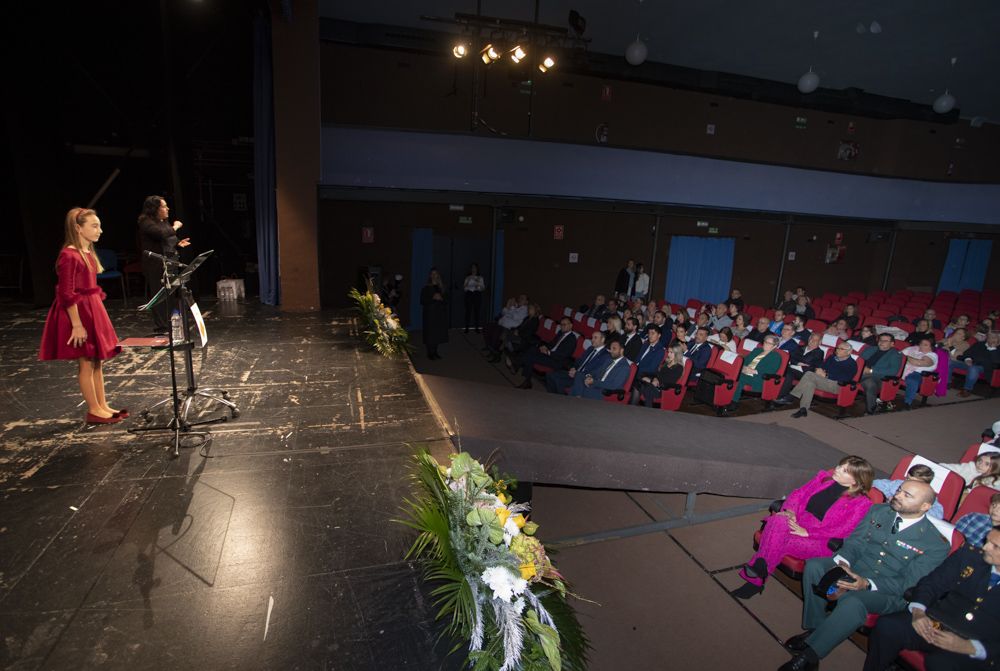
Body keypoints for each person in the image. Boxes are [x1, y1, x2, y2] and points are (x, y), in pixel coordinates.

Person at [780, 481, 949, 671]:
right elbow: (855, 543)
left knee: (854, 602)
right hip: (858, 567)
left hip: (888, 591)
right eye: (900, 490)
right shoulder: (879, 511)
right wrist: (844, 562)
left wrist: (867, 583)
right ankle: (817, 629)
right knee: (815, 566)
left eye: (907, 495)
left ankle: (810, 655)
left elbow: (908, 584)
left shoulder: (935, 544)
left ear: (925, 506)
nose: (898, 495)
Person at [731, 456, 874, 600]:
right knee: (779, 519)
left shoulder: (861, 503)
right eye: (839, 465)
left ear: (855, 481)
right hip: (798, 521)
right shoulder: (824, 478)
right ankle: (759, 572)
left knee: (777, 539)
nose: (837, 469)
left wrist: (807, 532)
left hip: (819, 540)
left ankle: (757, 576)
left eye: (844, 470)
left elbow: (843, 529)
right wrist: (790, 512)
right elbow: (798, 494)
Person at [862, 526, 1000, 671]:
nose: (985, 547)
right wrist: (918, 611)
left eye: (995, 546)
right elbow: (932, 583)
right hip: (938, 623)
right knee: (888, 626)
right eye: (987, 541)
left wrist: (971, 647)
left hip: (977, 643)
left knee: (941, 664)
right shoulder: (969, 556)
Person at [39, 208, 125, 424]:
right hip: (78, 313)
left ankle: (102, 405)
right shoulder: (69, 255)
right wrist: (77, 325)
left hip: (91, 308)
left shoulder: (86, 253)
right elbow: (66, 293)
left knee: (97, 361)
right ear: (78, 228)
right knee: (86, 362)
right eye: (94, 226)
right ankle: (94, 409)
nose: (100, 230)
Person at [137, 195, 191, 334]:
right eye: (164, 206)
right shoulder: (146, 222)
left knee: (171, 295)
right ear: (155, 208)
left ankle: (172, 324)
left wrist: (178, 244)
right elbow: (160, 234)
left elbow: (169, 240)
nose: (167, 208)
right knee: (160, 295)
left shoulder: (163, 222)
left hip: (170, 262)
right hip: (156, 265)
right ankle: (161, 327)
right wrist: (175, 226)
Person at [787, 342, 859, 418]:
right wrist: (820, 370)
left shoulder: (851, 364)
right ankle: (803, 409)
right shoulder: (832, 357)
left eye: (841, 349)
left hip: (837, 385)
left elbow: (845, 378)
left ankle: (792, 396)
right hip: (823, 381)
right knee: (809, 383)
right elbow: (822, 366)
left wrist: (827, 375)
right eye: (837, 348)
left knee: (809, 374)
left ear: (849, 352)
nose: (837, 350)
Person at [725, 334, 782, 412]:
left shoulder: (776, 357)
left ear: (775, 346)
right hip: (746, 372)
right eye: (765, 342)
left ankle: (733, 402)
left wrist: (754, 371)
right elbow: (745, 360)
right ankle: (723, 398)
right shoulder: (757, 350)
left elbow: (771, 371)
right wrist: (743, 367)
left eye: (769, 343)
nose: (765, 344)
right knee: (730, 373)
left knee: (739, 378)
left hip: (759, 378)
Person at [518, 317, 578, 389]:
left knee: (530, 357)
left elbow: (563, 355)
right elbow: (552, 344)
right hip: (550, 355)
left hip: (557, 361)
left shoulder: (572, 339)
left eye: (564, 324)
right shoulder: (560, 333)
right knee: (533, 349)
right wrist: (545, 347)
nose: (562, 326)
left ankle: (525, 377)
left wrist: (548, 353)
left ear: (570, 325)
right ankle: (521, 369)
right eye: (561, 324)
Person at [545, 330, 610, 394]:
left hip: (583, 378)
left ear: (602, 339)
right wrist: (573, 368)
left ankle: (560, 401)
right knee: (550, 375)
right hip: (576, 373)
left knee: (559, 381)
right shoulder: (590, 348)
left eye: (595, 338)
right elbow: (579, 360)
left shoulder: (605, 355)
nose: (592, 340)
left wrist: (577, 374)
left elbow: (596, 371)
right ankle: (552, 397)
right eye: (592, 337)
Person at [872, 464, 945, 519]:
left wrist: (913, 508)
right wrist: (888, 496)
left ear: (925, 485)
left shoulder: (929, 497)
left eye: (913, 482)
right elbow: (875, 483)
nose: (907, 482)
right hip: (886, 514)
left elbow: (938, 516)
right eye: (907, 478)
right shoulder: (899, 484)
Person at [773, 332, 826, 403]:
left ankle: (780, 396)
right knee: (786, 371)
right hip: (792, 368)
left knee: (788, 372)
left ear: (819, 343)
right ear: (808, 339)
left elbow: (807, 361)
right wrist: (798, 363)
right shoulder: (800, 347)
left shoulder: (819, 352)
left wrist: (796, 360)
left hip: (804, 373)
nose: (812, 341)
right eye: (811, 339)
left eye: (815, 340)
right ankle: (781, 396)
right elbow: (790, 357)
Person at [859, 333, 904, 415]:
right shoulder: (871, 349)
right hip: (861, 372)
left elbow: (893, 371)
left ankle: (871, 410)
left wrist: (871, 371)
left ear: (892, 344)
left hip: (879, 378)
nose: (882, 342)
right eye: (880, 340)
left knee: (869, 383)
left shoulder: (895, 354)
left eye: (885, 341)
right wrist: (861, 368)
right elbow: (860, 359)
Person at [633, 342, 685, 407]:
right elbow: (658, 374)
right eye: (668, 352)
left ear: (677, 354)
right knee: (638, 381)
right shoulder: (667, 362)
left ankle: (648, 411)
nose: (668, 354)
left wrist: (651, 381)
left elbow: (669, 382)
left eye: (671, 352)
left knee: (645, 387)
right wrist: (654, 379)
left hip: (662, 390)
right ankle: (633, 407)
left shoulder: (679, 367)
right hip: (655, 385)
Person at [954, 330, 1000, 397]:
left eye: (994, 337)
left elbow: (996, 361)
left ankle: (967, 390)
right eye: (989, 337)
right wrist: (968, 359)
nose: (991, 339)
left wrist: (993, 348)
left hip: (985, 368)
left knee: (973, 368)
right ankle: (947, 383)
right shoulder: (979, 344)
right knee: (950, 363)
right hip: (970, 363)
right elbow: (967, 353)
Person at [900, 337, 938, 409]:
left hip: (919, 374)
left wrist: (905, 357)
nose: (921, 346)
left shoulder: (932, 355)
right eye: (921, 344)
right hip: (903, 369)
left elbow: (919, 363)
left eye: (925, 345)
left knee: (912, 380)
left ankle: (907, 402)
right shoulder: (912, 349)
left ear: (931, 347)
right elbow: (898, 355)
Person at [420, 269, 448, 360]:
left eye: (435, 274)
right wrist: (433, 298)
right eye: (432, 274)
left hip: (439, 313)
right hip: (430, 313)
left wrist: (441, 299)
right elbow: (422, 301)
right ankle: (430, 353)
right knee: (430, 333)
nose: (434, 275)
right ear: (430, 276)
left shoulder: (442, 288)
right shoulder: (426, 288)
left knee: (437, 333)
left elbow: (447, 301)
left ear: (438, 275)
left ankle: (435, 352)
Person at [462, 263, 486, 334]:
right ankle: (466, 328)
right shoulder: (467, 277)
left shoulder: (480, 277)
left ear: (477, 269)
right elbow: (464, 288)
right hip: (469, 294)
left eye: (475, 268)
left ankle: (477, 328)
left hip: (477, 294)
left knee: (477, 312)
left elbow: (483, 288)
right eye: (472, 268)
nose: (473, 269)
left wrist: (477, 283)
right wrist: (468, 281)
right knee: (468, 312)